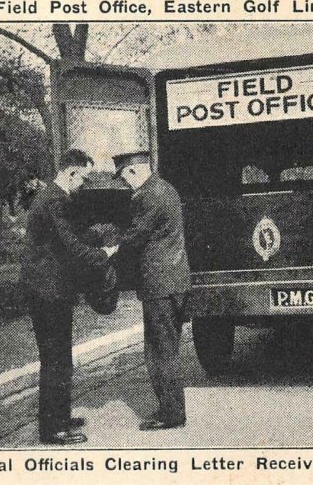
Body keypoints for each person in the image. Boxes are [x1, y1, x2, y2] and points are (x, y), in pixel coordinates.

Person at [20, 149, 114, 445]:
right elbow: (70, 246)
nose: (83, 185)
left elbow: (66, 241)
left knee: (59, 357)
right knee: (56, 359)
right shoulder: (55, 201)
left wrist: (95, 238)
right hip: (49, 293)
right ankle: (53, 429)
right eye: (83, 179)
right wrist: (103, 254)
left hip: (48, 290)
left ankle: (59, 417)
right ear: (71, 173)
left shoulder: (51, 197)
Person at [112, 150, 191, 431]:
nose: (125, 185)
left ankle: (170, 414)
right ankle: (171, 408)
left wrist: (111, 251)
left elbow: (134, 236)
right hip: (175, 280)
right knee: (167, 348)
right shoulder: (166, 188)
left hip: (159, 284)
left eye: (124, 179)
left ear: (132, 172)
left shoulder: (147, 196)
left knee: (159, 351)